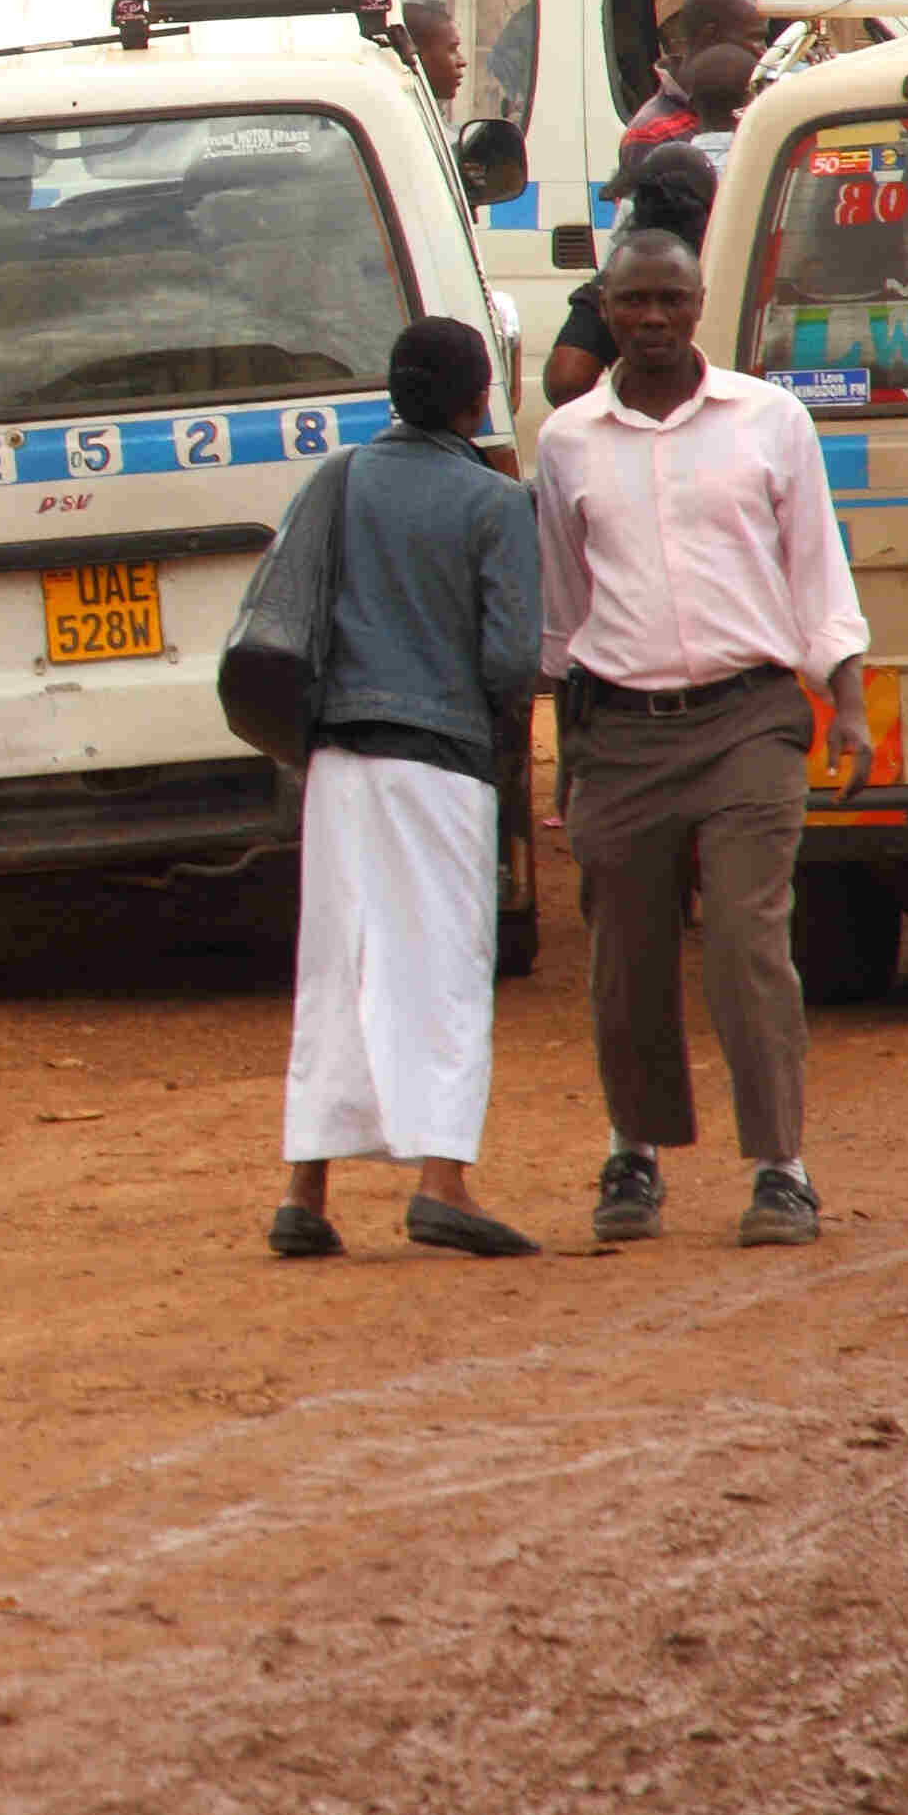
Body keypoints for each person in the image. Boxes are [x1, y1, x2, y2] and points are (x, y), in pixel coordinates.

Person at [533, 226, 871, 1252]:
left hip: (750, 722)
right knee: (623, 957)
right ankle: (633, 1150)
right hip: (621, 732)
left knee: (745, 941)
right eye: (632, 301)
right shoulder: (568, 443)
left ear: (698, 303)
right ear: (605, 305)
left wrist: (846, 700)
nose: (651, 320)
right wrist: (560, 749)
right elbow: (562, 607)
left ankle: (782, 1168)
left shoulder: (770, 421)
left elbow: (818, 569)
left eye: (670, 302)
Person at [270, 318, 544, 1263]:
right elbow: (511, 660)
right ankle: (443, 1185)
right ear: (477, 401)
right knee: (440, 972)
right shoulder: (493, 502)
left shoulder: (337, 478)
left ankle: (306, 1192)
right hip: (438, 762)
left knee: (339, 968)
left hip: (337, 765)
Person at [542, 143, 725, 410]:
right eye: (636, 301)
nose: (656, 317)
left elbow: (565, 382)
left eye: (673, 300)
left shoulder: (616, 285)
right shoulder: (734, 268)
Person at [613, 0, 765, 176]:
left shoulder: (753, 100)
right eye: (754, 37)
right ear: (710, 35)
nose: (763, 50)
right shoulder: (652, 132)